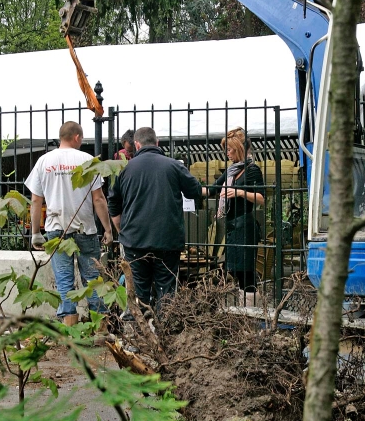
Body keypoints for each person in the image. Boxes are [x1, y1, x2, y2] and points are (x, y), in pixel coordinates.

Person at [25, 121, 113, 324]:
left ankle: (71, 333)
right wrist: (107, 229)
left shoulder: (44, 161)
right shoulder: (87, 160)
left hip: (57, 229)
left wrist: (36, 233)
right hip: (85, 229)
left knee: (64, 280)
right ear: (77, 137)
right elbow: (98, 198)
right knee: (92, 278)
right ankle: (101, 330)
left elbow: (36, 200)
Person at [108, 126, 202, 314]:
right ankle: (164, 336)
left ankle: (138, 338)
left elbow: (113, 203)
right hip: (167, 240)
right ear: (157, 143)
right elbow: (196, 191)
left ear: (136, 144)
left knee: (137, 293)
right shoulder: (174, 166)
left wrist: (121, 230)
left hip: (135, 240)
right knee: (166, 292)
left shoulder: (125, 170)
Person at [203, 127, 264, 295]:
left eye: (229, 150)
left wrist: (239, 192)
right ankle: (246, 306)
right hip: (232, 227)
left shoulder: (252, 170)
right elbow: (210, 190)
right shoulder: (232, 171)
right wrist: (185, 187)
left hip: (244, 226)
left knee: (246, 271)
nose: (227, 153)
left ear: (239, 149)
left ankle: (252, 308)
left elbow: (261, 198)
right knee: (236, 270)